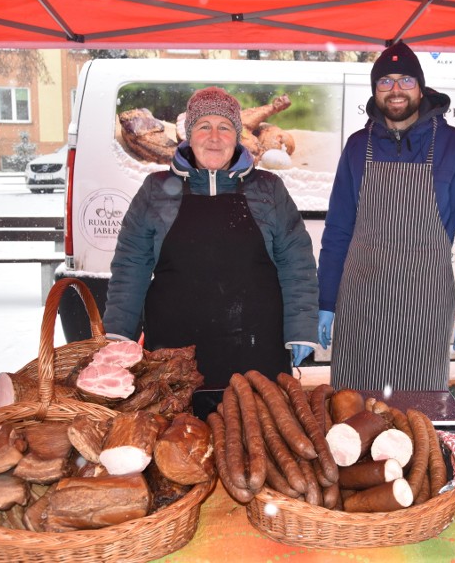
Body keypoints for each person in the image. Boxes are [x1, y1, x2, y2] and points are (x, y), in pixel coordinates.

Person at [103, 86, 317, 391]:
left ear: (237, 136)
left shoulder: (269, 189)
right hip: (174, 363)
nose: (214, 137)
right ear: (189, 135)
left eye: (224, 127)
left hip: (257, 357)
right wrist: (119, 334)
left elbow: (297, 263)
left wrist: (300, 328)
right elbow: (130, 265)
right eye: (204, 127)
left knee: (253, 436)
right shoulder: (156, 189)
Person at [317, 41, 455, 392]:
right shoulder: (356, 146)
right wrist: (325, 302)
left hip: (425, 304)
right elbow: (337, 231)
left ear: (421, 87)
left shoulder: (454, 146)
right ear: (375, 90)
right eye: (385, 82)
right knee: (353, 409)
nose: (396, 90)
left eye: (406, 81)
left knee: (419, 414)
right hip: (361, 302)